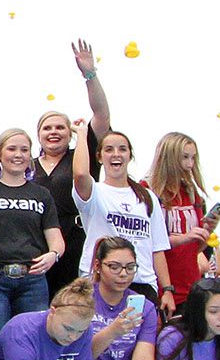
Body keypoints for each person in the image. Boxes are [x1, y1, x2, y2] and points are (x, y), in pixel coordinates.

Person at [0, 128, 63, 360]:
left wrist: (53, 255)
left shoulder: (41, 194)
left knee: (33, 345)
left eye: (24, 149)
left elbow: (56, 239)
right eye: (12, 148)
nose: (18, 154)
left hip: (33, 281)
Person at [72, 239, 175, 360]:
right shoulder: (82, 300)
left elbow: (143, 359)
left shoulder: (144, 306)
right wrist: (113, 331)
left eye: (130, 267)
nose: (123, 274)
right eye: (114, 267)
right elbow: (77, 357)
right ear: (98, 266)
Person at [33, 40, 112, 292]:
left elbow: (102, 116)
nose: (54, 132)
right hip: (36, 243)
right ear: (38, 135)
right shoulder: (27, 166)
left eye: (60, 127)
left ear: (71, 132)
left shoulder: (80, 155)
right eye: (47, 128)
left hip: (76, 240)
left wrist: (89, 74)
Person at [72, 128, 172, 309]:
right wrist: (81, 135)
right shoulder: (95, 192)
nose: (116, 154)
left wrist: (167, 289)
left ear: (130, 156)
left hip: (141, 282)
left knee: (137, 336)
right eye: (109, 149)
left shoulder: (148, 197)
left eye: (122, 149)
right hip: (100, 281)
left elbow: (157, 248)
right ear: (99, 157)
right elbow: (80, 174)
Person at [149, 132, 213, 301]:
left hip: (190, 281)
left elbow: (196, 248)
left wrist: (206, 230)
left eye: (193, 158)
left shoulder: (191, 192)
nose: (189, 164)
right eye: (184, 157)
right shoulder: (148, 191)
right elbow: (147, 242)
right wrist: (183, 238)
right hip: (162, 283)